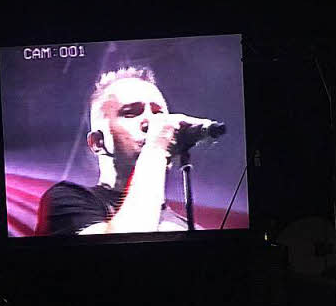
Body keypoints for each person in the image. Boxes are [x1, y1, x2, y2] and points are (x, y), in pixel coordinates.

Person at [36, 66, 213, 235]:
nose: (150, 122)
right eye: (130, 113)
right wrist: (156, 149)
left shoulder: (189, 226)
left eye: (158, 113)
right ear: (97, 142)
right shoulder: (65, 201)